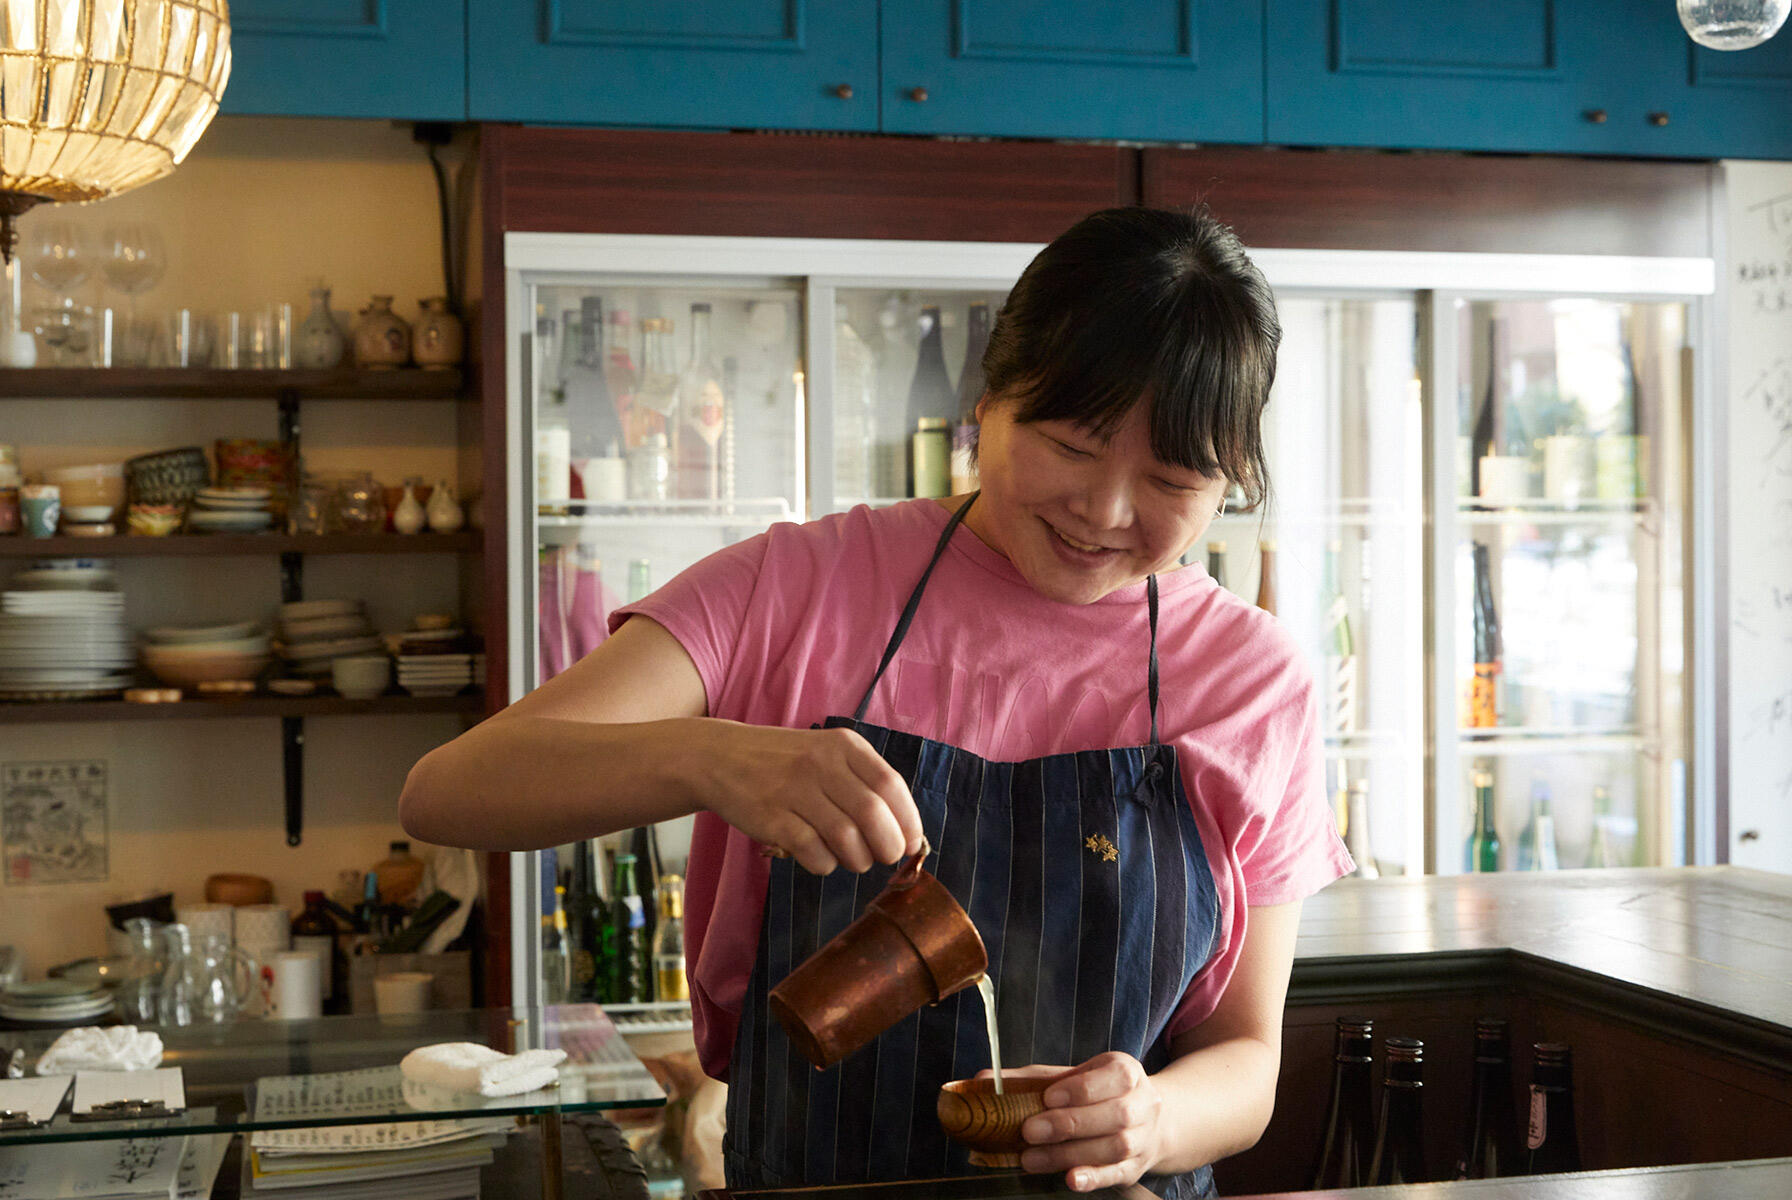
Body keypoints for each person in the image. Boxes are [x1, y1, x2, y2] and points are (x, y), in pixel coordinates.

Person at [400, 207, 1353, 1198]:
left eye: (1171, 478)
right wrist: (710, 759)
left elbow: (1248, 1063)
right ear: (989, 399)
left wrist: (1151, 1118)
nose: (1106, 512)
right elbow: (449, 792)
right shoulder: (800, 587)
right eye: (1072, 446)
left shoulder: (1250, 680)